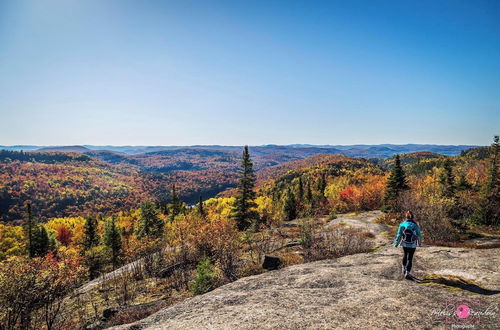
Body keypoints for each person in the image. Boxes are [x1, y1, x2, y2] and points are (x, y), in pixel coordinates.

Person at [394, 211, 422, 279]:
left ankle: (403, 268)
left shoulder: (402, 224)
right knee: (410, 258)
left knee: (405, 255)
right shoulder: (415, 225)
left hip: (404, 243)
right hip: (413, 244)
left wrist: (396, 243)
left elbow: (399, 235)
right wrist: (419, 243)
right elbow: (419, 235)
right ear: (413, 217)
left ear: (406, 217)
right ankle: (407, 273)